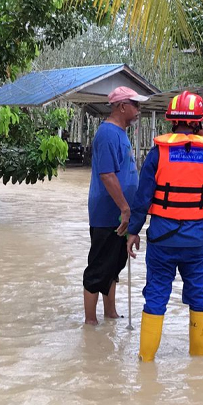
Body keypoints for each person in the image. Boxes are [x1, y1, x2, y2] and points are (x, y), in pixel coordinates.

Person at [126, 91, 203, 361]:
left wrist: (133, 231)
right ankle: (198, 361)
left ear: (171, 121)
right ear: (199, 121)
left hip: (162, 238)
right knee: (199, 293)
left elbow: (143, 197)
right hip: (197, 240)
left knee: (156, 294)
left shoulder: (158, 153)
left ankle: (146, 360)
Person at [84, 86, 148, 325]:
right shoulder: (108, 134)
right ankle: (90, 321)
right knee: (99, 266)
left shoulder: (120, 133)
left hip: (121, 214)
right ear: (123, 106)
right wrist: (124, 208)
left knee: (113, 265)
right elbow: (107, 175)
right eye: (136, 105)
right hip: (109, 214)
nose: (139, 110)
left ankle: (109, 313)